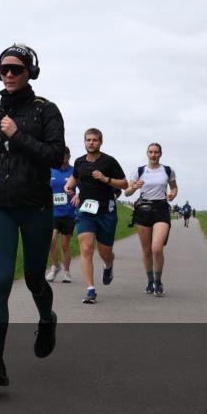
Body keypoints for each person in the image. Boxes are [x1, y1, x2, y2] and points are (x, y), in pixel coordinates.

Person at [0, 44, 64, 387]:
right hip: (1, 203)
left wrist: (18, 136)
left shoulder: (47, 111)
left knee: (33, 279)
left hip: (36, 206)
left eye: (16, 69)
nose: (9, 74)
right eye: (4, 69)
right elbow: (2, 151)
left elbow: (55, 155)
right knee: (0, 282)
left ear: (31, 72)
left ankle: (47, 319)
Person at [65, 128, 128, 304]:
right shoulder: (79, 162)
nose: (91, 143)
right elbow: (74, 180)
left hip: (106, 212)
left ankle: (109, 265)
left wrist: (105, 179)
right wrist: (69, 188)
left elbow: (124, 184)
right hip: (85, 211)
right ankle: (90, 290)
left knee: (105, 252)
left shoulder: (109, 162)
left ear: (100, 142)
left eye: (94, 140)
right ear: (84, 142)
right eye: (88, 140)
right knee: (86, 248)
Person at [124, 143, 177, 297]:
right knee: (146, 251)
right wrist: (134, 187)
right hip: (143, 210)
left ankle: (158, 281)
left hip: (161, 209)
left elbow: (174, 187)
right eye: (151, 152)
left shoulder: (167, 170)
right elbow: (127, 193)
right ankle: (149, 281)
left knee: (157, 248)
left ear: (160, 154)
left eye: (156, 152)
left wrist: (173, 194)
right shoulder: (139, 171)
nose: (153, 155)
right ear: (147, 153)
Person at [46, 147, 77, 283]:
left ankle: (67, 271)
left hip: (69, 213)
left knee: (65, 245)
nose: (64, 157)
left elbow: (83, 188)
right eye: (61, 154)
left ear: (69, 156)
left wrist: (77, 196)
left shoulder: (74, 172)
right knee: (51, 240)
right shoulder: (50, 170)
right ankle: (56, 266)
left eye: (66, 155)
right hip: (53, 212)